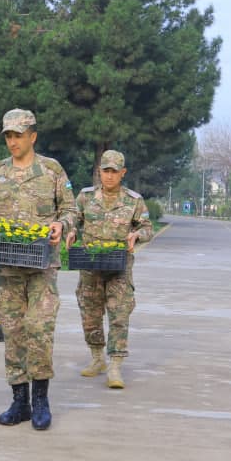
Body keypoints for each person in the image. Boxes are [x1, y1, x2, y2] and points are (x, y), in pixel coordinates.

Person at [0, 108, 76, 431]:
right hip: (8, 270)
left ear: (33, 136)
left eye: (18, 135)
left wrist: (61, 224)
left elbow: (70, 209)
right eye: (8, 136)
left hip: (42, 267)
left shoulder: (52, 171)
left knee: (39, 328)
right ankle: (20, 401)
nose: (12, 141)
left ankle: (41, 398)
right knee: (13, 331)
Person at [66, 150, 153, 388]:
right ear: (99, 172)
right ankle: (97, 359)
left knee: (119, 316)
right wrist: (71, 231)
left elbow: (147, 227)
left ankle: (115, 365)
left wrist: (137, 235)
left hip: (119, 268)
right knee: (90, 316)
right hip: (90, 268)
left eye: (115, 171)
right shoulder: (85, 197)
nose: (110, 176)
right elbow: (74, 218)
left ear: (122, 173)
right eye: (106, 171)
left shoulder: (133, 200)